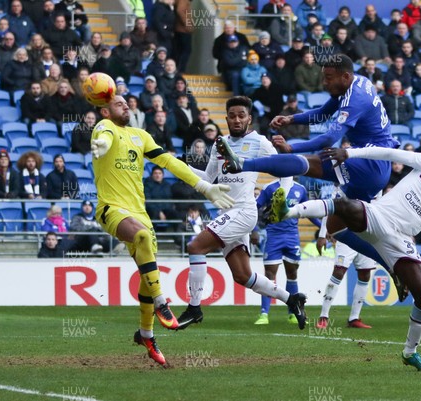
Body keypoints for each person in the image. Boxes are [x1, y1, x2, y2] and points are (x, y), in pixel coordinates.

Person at [271, 146, 421, 371]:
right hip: (379, 216)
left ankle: (410, 352)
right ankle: (287, 212)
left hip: (400, 240)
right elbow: (390, 154)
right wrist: (350, 153)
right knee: (344, 206)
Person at [217, 55, 400, 269]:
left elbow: (329, 139)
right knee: (337, 227)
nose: (324, 83)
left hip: (370, 163)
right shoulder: (354, 84)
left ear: (345, 76)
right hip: (374, 164)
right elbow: (323, 114)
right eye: (324, 77)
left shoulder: (355, 98)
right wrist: (291, 119)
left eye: (328, 78)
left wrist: (292, 147)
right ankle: (393, 265)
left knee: (308, 162)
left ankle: (243, 164)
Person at [89, 94, 233, 365]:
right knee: (142, 238)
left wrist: (204, 186)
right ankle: (160, 302)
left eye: (126, 102)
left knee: (147, 272)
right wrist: (102, 145)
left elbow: (169, 162)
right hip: (111, 208)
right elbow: (104, 137)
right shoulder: (103, 128)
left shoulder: (140, 135)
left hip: (139, 212)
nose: (126, 105)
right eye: (118, 103)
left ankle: (146, 333)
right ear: (106, 111)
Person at [175, 96, 308, 332]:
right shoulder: (219, 144)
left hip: (244, 212)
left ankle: (194, 308)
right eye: (232, 116)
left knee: (196, 247)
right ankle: (292, 299)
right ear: (226, 119)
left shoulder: (260, 142)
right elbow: (207, 179)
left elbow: (287, 168)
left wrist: (283, 198)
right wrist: (179, 167)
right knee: (243, 276)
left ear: (249, 119)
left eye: (241, 115)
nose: (237, 120)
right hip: (228, 213)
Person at [254, 178, 307, 325]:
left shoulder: (301, 189)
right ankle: (264, 314)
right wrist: (254, 229)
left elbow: (307, 210)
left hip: (292, 237)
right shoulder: (269, 187)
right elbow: (255, 206)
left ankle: (292, 313)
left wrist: (324, 228)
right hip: (274, 236)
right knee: (269, 275)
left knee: (292, 274)